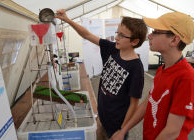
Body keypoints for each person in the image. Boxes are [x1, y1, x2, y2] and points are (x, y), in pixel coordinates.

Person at [55, 9, 147, 139]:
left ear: (134, 42)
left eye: (121, 35)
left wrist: (122, 130)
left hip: (117, 127)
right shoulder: (112, 49)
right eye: (117, 33)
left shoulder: (136, 68)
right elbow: (87, 35)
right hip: (102, 118)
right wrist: (68, 20)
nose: (116, 37)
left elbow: (134, 104)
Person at [110, 11, 194, 140]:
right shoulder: (162, 70)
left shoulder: (187, 77)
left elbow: (172, 132)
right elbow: (149, 101)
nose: (149, 35)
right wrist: (123, 130)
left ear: (174, 39)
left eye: (156, 32)